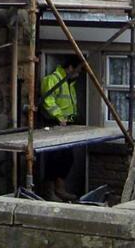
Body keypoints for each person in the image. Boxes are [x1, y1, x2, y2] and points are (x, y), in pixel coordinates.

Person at [39, 59, 83, 201]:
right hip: (54, 123)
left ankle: (60, 188)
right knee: (54, 157)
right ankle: (49, 191)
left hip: (66, 124)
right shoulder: (52, 79)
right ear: (70, 67)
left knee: (67, 157)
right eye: (77, 70)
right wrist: (59, 117)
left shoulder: (69, 83)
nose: (78, 74)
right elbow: (48, 101)